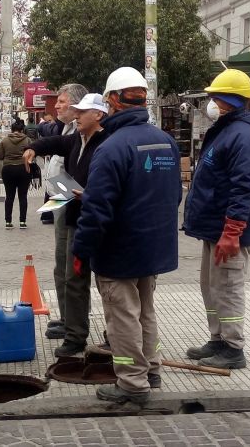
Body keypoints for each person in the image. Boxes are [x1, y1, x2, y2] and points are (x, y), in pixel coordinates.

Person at [73, 67, 181, 404]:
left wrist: (81, 251)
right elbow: (174, 195)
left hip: (119, 250)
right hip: (153, 247)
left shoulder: (112, 147)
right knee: (145, 311)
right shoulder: (165, 141)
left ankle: (133, 384)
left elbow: (97, 209)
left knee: (122, 317)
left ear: (112, 101)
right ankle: (152, 369)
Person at [183, 69, 250, 370]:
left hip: (228, 230)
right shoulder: (227, 129)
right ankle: (218, 339)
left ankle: (233, 348)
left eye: (216, 97)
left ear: (232, 100)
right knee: (211, 286)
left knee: (228, 287)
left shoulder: (243, 135)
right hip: (215, 227)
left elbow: (244, 187)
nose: (212, 103)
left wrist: (232, 231)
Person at [23, 93, 110, 357]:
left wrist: (90, 195)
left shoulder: (108, 142)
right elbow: (55, 142)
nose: (77, 115)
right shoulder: (76, 139)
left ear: (98, 115)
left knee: (108, 283)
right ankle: (75, 335)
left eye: (82, 112)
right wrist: (34, 148)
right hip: (75, 218)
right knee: (74, 279)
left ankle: (115, 334)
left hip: (101, 221)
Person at [41, 83, 88, 341]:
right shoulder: (65, 128)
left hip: (71, 201)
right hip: (60, 199)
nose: (57, 106)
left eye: (62, 102)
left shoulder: (82, 131)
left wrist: (61, 194)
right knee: (61, 265)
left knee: (70, 267)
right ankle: (66, 316)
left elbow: (78, 173)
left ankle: (74, 320)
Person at [0, 119, 31, 229]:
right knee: (23, 196)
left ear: (11, 130)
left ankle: (8, 222)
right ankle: (22, 222)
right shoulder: (27, 140)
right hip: (23, 169)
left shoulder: (5, 140)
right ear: (22, 130)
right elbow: (32, 155)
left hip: (8, 170)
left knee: (9, 196)